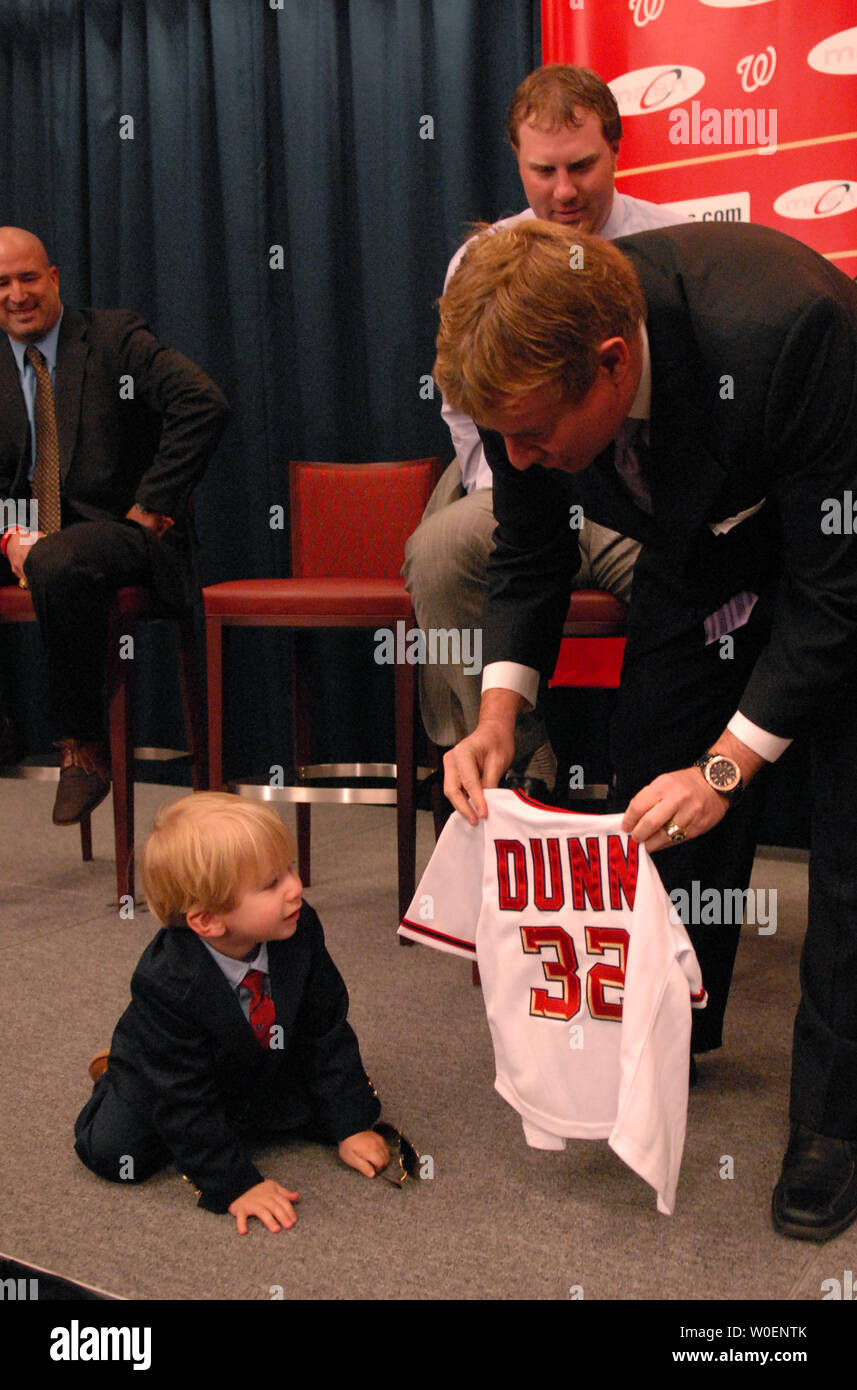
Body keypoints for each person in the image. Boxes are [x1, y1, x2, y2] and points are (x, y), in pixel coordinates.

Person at [433, 218, 857, 1241]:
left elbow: (834, 595)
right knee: (648, 792)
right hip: (692, 550)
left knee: (845, 845)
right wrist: (498, 712)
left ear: (612, 364)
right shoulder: (515, 365)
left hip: (835, 549)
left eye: (533, 438)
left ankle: (833, 1123)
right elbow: (529, 552)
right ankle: (681, 1023)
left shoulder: (791, 326)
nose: (521, 456)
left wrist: (727, 763)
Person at [403, 65, 686, 792]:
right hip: (516, 486)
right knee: (438, 550)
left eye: (581, 166)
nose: (564, 191)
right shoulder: (483, 260)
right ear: (517, 165)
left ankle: (661, 790)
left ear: (615, 152)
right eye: (543, 170)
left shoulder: (673, 245)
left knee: (690, 585)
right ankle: (503, 767)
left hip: (642, 498)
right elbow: (467, 411)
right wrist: (527, 481)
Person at [74, 792, 389, 1232]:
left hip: (251, 1053)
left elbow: (326, 1028)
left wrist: (350, 1124)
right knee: (115, 1152)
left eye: (289, 869)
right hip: (168, 1071)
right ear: (207, 921)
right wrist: (235, 1184)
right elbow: (182, 1096)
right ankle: (119, 1069)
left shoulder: (299, 927)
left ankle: (240, 1104)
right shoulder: (166, 981)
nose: (295, 887)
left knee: (313, 1111)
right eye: (270, 884)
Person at [0, 226, 230, 824]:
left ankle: (83, 747)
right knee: (47, 556)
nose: (16, 294)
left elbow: (202, 402)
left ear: (53, 279)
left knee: (59, 559)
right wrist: (9, 537)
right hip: (27, 534)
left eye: (27, 278)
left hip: (123, 536)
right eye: (1, 283)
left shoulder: (113, 337)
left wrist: (152, 504)